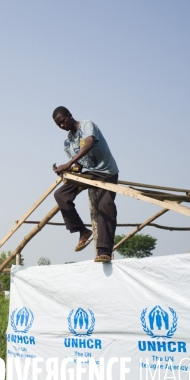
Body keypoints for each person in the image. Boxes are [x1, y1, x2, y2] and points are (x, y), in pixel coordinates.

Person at [52, 106, 119, 263]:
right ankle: (82, 230)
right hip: (88, 174)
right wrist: (67, 170)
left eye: (63, 121)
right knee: (60, 194)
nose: (62, 125)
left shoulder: (87, 125)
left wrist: (69, 163)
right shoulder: (67, 143)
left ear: (70, 115)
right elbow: (80, 165)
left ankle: (104, 251)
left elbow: (89, 144)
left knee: (105, 205)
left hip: (106, 172)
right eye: (58, 125)